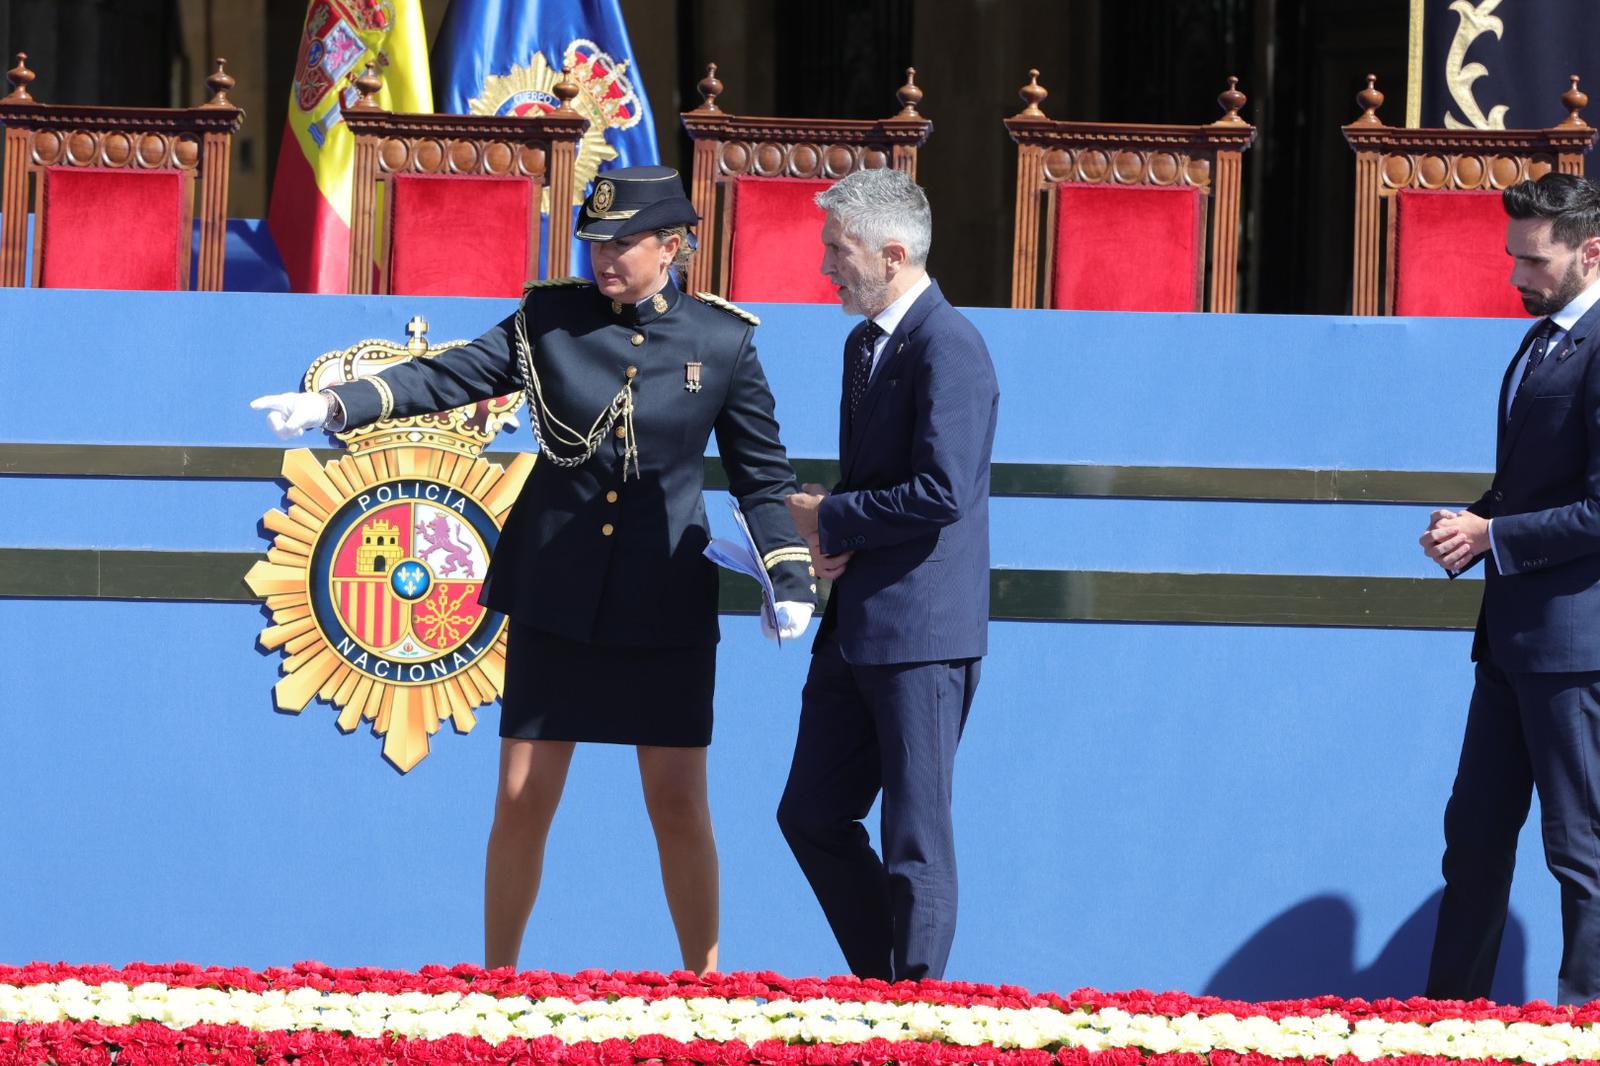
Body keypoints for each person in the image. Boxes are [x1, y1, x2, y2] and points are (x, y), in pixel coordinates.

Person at [251, 166, 817, 975]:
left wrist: (788, 577)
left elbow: (762, 475)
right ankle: (496, 980)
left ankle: (706, 984)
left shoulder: (723, 341)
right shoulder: (550, 321)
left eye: (623, 243)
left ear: (672, 246)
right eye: (595, 242)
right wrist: (340, 404)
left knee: (680, 803)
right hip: (558, 592)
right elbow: (450, 375)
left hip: (663, 598)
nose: (604, 258)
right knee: (521, 800)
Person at [778, 167, 999, 982]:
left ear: (894, 254)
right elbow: (887, 481)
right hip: (859, 624)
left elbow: (943, 489)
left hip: (921, 631)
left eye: (839, 251)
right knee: (810, 813)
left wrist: (829, 519)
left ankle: (915, 1009)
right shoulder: (865, 344)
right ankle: (888, 986)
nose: (827, 267)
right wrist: (837, 529)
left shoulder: (952, 346)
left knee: (916, 831)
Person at [1420, 172, 1600, 1005]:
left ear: (1589, 252)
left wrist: (1497, 536)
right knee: (1475, 841)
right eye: (1512, 256)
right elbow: (1534, 486)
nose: (1517, 276)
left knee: (1581, 849)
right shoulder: (1542, 341)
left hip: (1574, 650)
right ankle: (1441, 1022)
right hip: (1509, 642)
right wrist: (1475, 521)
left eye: (1534, 259)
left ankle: (1584, 1028)